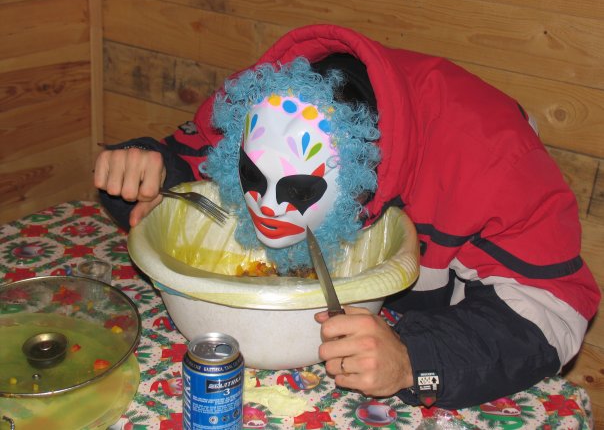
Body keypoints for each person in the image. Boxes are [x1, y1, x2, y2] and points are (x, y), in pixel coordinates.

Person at [94, 24, 600, 409]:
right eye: (252, 177)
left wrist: (415, 360)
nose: (268, 206)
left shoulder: (493, 163)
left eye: (297, 190)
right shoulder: (272, 106)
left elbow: (555, 308)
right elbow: (189, 161)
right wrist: (146, 170)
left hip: (446, 335)